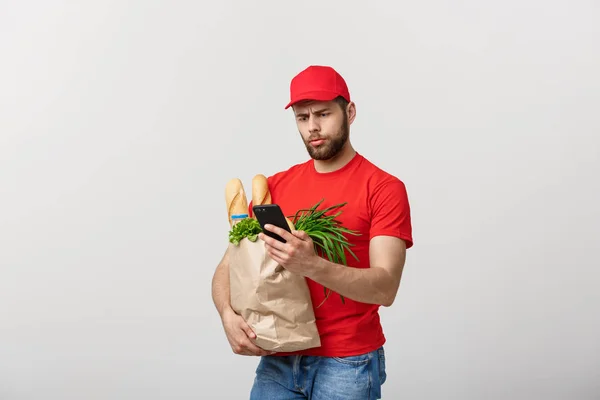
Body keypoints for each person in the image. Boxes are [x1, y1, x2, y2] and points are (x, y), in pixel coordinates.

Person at [211, 65, 413, 399]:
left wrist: (310, 264)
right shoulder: (274, 187)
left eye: (323, 114)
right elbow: (227, 268)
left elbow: (386, 287)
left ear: (349, 112)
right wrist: (226, 315)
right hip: (278, 355)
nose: (313, 127)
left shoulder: (383, 188)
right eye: (302, 118)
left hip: (348, 361)